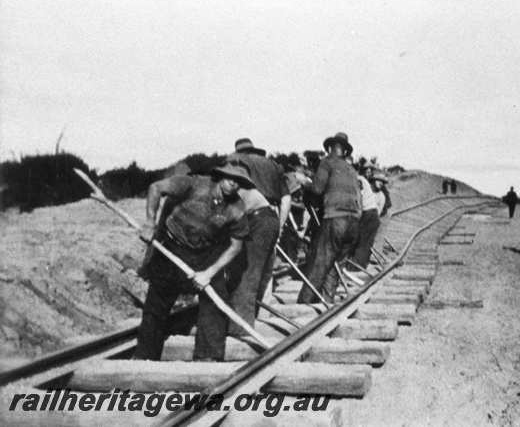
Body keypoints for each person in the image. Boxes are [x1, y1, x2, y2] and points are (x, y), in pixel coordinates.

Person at [134, 164, 254, 361]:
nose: (233, 184)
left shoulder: (238, 208)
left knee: (216, 296)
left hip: (204, 254)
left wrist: (209, 272)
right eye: (230, 178)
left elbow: (236, 246)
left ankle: (208, 356)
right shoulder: (193, 184)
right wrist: (149, 223)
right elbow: (156, 188)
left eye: (239, 182)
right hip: (172, 247)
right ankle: (145, 355)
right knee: (157, 302)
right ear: (220, 175)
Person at [225, 138, 291, 336]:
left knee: (244, 272)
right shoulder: (273, 165)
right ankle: (261, 317)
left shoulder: (238, 163)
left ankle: (240, 326)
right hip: (270, 215)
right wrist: (279, 226)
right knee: (265, 271)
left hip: (250, 213)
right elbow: (286, 198)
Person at [297, 132, 361, 304]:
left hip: (335, 219)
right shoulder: (352, 170)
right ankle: (327, 302)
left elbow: (317, 189)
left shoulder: (327, 162)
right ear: (345, 151)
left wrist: (305, 182)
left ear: (331, 148)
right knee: (335, 266)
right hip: (353, 222)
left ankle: (305, 304)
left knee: (319, 263)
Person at [348, 164, 381, 270]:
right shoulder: (363, 180)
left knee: (360, 242)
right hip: (373, 214)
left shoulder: (358, 180)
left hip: (368, 214)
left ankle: (354, 268)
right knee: (366, 244)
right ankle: (360, 267)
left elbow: (359, 204)